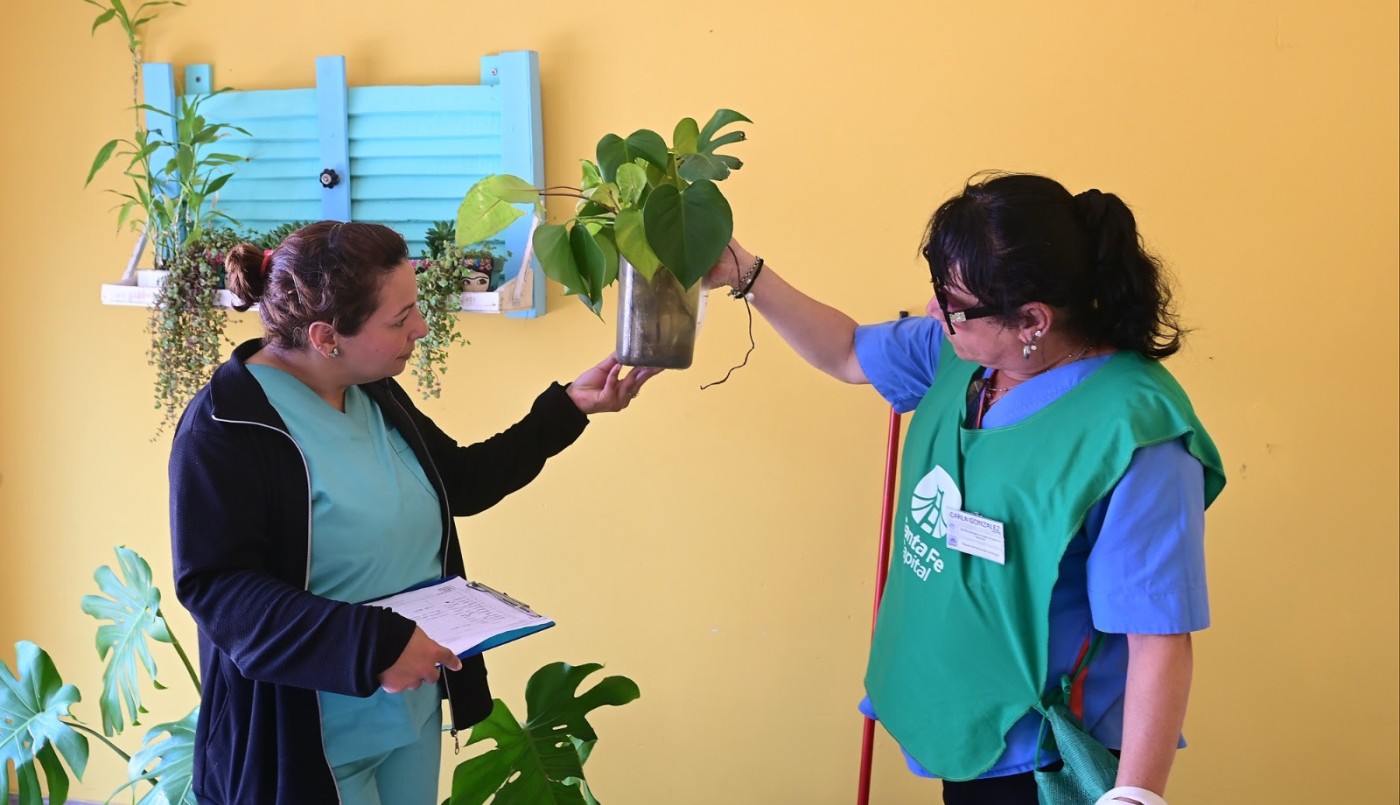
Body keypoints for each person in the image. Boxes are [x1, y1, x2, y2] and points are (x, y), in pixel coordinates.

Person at [706, 173, 1225, 805]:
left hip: (1043, 755)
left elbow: (1158, 635)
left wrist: (1137, 796)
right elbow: (844, 352)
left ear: (1032, 319)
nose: (933, 313)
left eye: (951, 303)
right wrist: (744, 271)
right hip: (959, 718)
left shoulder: (1134, 432)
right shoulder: (969, 358)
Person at [168, 221, 659, 805]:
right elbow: (220, 590)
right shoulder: (226, 427)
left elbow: (459, 482)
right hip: (307, 737)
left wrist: (567, 410)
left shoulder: (370, 387)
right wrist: (373, 646)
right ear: (327, 335)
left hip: (409, 712)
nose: (421, 330)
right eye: (399, 321)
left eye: (415, 308)